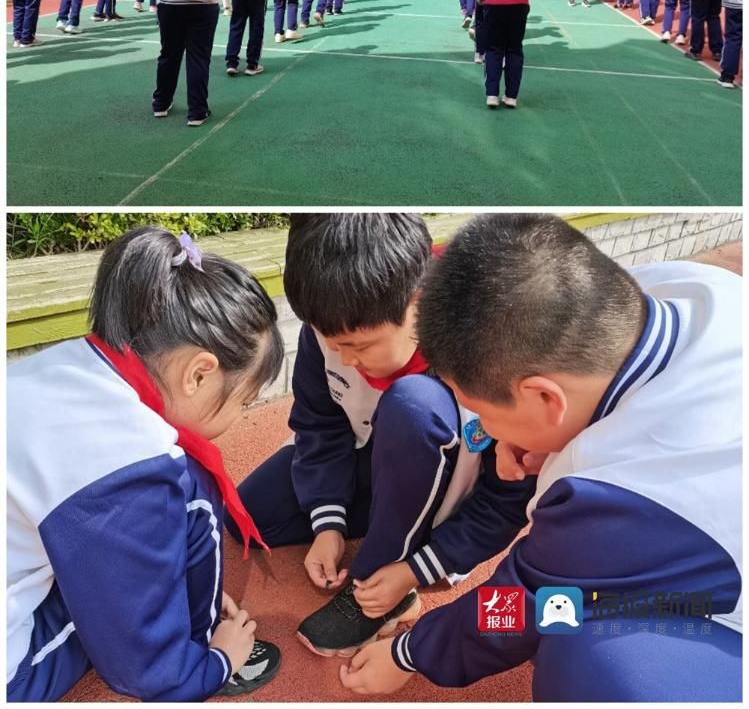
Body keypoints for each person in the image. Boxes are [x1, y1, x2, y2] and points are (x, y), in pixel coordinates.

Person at [339, 213, 741, 703]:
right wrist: (531, 432)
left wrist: (408, 654)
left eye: (485, 413)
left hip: (726, 620)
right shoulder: (685, 287)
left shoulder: (621, 496)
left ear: (546, 399)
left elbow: (527, 603)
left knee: (593, 656)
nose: (484, 431)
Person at [227, 214, 536, 659]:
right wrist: (327, 523)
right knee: (252, 516)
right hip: (374, 451)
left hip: (444, 470)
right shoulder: (333, 327)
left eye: (361, 345)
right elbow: (318, 421)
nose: (347, 360)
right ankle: (389, 517)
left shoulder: (488, 349)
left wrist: (412, 570)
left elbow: (505, 500)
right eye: (333, 343)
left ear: (418, 304)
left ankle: (379, 579)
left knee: (412, 406)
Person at [7, 226, 285, 702]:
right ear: (199, 373)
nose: (242, 415)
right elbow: (141, 667)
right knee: (194, 490)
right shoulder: (132, 463)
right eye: (245, 400)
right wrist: (216, 660)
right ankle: (196, 651)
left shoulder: (65, 363)